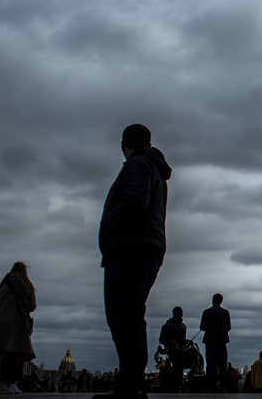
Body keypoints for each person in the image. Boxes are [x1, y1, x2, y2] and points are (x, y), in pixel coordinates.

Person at [97, 124, 171, 399]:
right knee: (132, 316)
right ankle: (133, 381)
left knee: (121, 316)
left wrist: (108, 223)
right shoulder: (155, 168)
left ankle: (129, 382)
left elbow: (134, 202)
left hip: (130, 247)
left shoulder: (137, 165)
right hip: (148, 246)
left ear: (123, 145)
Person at [0, 262, 36, 395]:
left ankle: (4, 383)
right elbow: (32, 305)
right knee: (18, 354)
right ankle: (9, 383)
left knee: (6, 353)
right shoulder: (25, 284)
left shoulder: (4, 284)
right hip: (18, 322)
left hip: (3, 321)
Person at [200, 293, 231, 393]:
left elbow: (202, 327)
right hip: (222, 342)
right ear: (221, 301)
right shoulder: (225, 312)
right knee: (222, 365)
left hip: (209, 342)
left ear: (213, 300)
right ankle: (223, 386)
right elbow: (229, 328)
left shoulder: (206, 312)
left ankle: (211, 386)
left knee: (210, 365)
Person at [158, 306, 187, 392]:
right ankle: (174, 386)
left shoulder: (182, 326)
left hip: (180, 351)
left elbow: (183, 339)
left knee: (179, 369)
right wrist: (171, 342)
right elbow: (161, 340)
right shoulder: (169, 326)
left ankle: (177, 386)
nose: (181, 315)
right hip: (172, 352)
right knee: (176, 369)